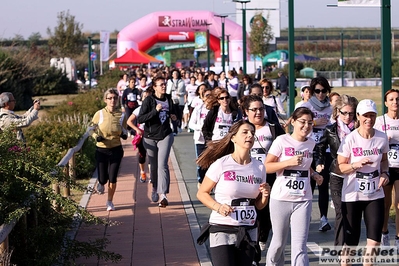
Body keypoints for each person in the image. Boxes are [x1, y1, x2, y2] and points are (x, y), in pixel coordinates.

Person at [196, 120, 270, 266]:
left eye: (252, 133)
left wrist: (265, 195)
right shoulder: (221, 164)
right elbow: (202, 193)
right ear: (233, 137)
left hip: (248, 229)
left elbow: (259, 206)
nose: (250, 135)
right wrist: (218, 207)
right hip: (222, 227)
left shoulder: (260, 167)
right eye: (245, 132)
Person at [265, 107, 323, 266]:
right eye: (302, 122)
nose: (306, 126)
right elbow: (267, 166)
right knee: (278, 242)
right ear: (293, 121)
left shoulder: (311, 143)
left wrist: (314, 174)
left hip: (303, 199)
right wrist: (287, 163)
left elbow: (305, 165)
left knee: (300, 245)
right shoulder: (282, 141)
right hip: (281, 199)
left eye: (310, 123)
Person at [337, 99, 389, 265]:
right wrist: (355, 165)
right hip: (353, 195)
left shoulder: (381, 137)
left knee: (374, 241)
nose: (369, 119)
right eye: (365, 115)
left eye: (372, 115)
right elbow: (340, 168)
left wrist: (385, 173)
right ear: (358, 116)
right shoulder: (350, 139)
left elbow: (384, 160)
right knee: (351, 242)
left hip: (375, 194)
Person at [240, 95, 285, 265]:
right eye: (254, 109)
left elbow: (286, 146)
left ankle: (262, 239)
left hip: (269, 178)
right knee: (251, 215)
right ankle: (254, 254)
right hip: (247, 177)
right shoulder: (241, 129)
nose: (258, 112)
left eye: (261, 109)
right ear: (246, 112)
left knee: (265, 215)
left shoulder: (273, 128)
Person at [314, 94, 358, 246]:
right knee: (340, 210)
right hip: (337, 174)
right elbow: (319, 148)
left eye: (351, 113)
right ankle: (340, 248)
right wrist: (319, 162)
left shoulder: (359, 129)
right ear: (337, 111)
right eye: (344, 112)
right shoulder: (330, 129)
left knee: (352, 212)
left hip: (356, 175)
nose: (347, 116)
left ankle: (350, 244)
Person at [137, 77, 177, 207]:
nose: (164, 87)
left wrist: (174, 117)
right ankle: (154, 187)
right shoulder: (149, 100)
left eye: (165, 84)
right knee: (153, 166)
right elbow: (141, 118)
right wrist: (155, 111)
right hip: (150, 137)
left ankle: (163, 195)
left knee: (162, 164)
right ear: (154, 87)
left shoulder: (168, 99)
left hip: (165, 135)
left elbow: (173, 114)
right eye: (161, 85)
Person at [301, 76, 333, 231]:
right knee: (309, 184)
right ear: (312, 92)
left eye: (324, 91)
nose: (321, 94)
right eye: (317, 91)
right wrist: (314, 123)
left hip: (325, 149)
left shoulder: (331, 108)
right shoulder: (306, 106)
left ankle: (323, 218)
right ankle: (305, 218)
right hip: (310, 148)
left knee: (323, 183)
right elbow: (298, 123)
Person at [91, 88, 128, 211]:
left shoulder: (121, 115)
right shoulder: (99, 114)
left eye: (115, 98)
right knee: (103, 178)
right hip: (102, 150)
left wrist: (124, 134)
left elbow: (125, 130)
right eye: (110, 98)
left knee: (113, 177)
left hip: (116, 149)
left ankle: (109, 202)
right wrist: (97, 137)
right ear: (105, 100)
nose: (113, 100)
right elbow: (91, 129)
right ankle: (101, 183)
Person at [374, 89, 399, 248]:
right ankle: (384, 232)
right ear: (385, 103)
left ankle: (398, 238)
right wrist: (384, 141)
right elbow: (371, 141)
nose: (395, 102)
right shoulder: (380, 121)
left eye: (397, 99)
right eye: (391, 99)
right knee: (386, 204)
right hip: (386, 166)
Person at [188, 87, 213, 187]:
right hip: (200, 139)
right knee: (201, 163)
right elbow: (191, 124)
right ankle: (201, 181)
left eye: (211, 96)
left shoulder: (215, 110)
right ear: (203, 98)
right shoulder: (198, 109)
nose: (209, 98)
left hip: (211, 140)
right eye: (207, 96)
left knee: (212, 163)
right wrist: (200, 127)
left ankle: (211, 184)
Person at [127, 89, 153, 183]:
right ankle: (142, 172)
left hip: (152, 135)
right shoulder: (139, 109)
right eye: (144, 96)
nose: (146, 98)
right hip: (142, 134)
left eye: (148, 96)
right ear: (141, 98)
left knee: (152, 155)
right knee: (142, 155)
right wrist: (137, 129)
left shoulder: (155, 108)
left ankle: (152, 176)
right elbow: (129, 121)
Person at [166, 69, 186, 135]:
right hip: (172, 100)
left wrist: (180, 94)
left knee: (179, 114)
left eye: (176, 73)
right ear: (172, 75)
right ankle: (175, 130)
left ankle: (179, 125)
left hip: (180, 100)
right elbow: (167, 90)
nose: (175, 75)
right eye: (174, 74)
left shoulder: (182, 82)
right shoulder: (169, 81)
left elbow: (184, 92)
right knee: (173, 114)